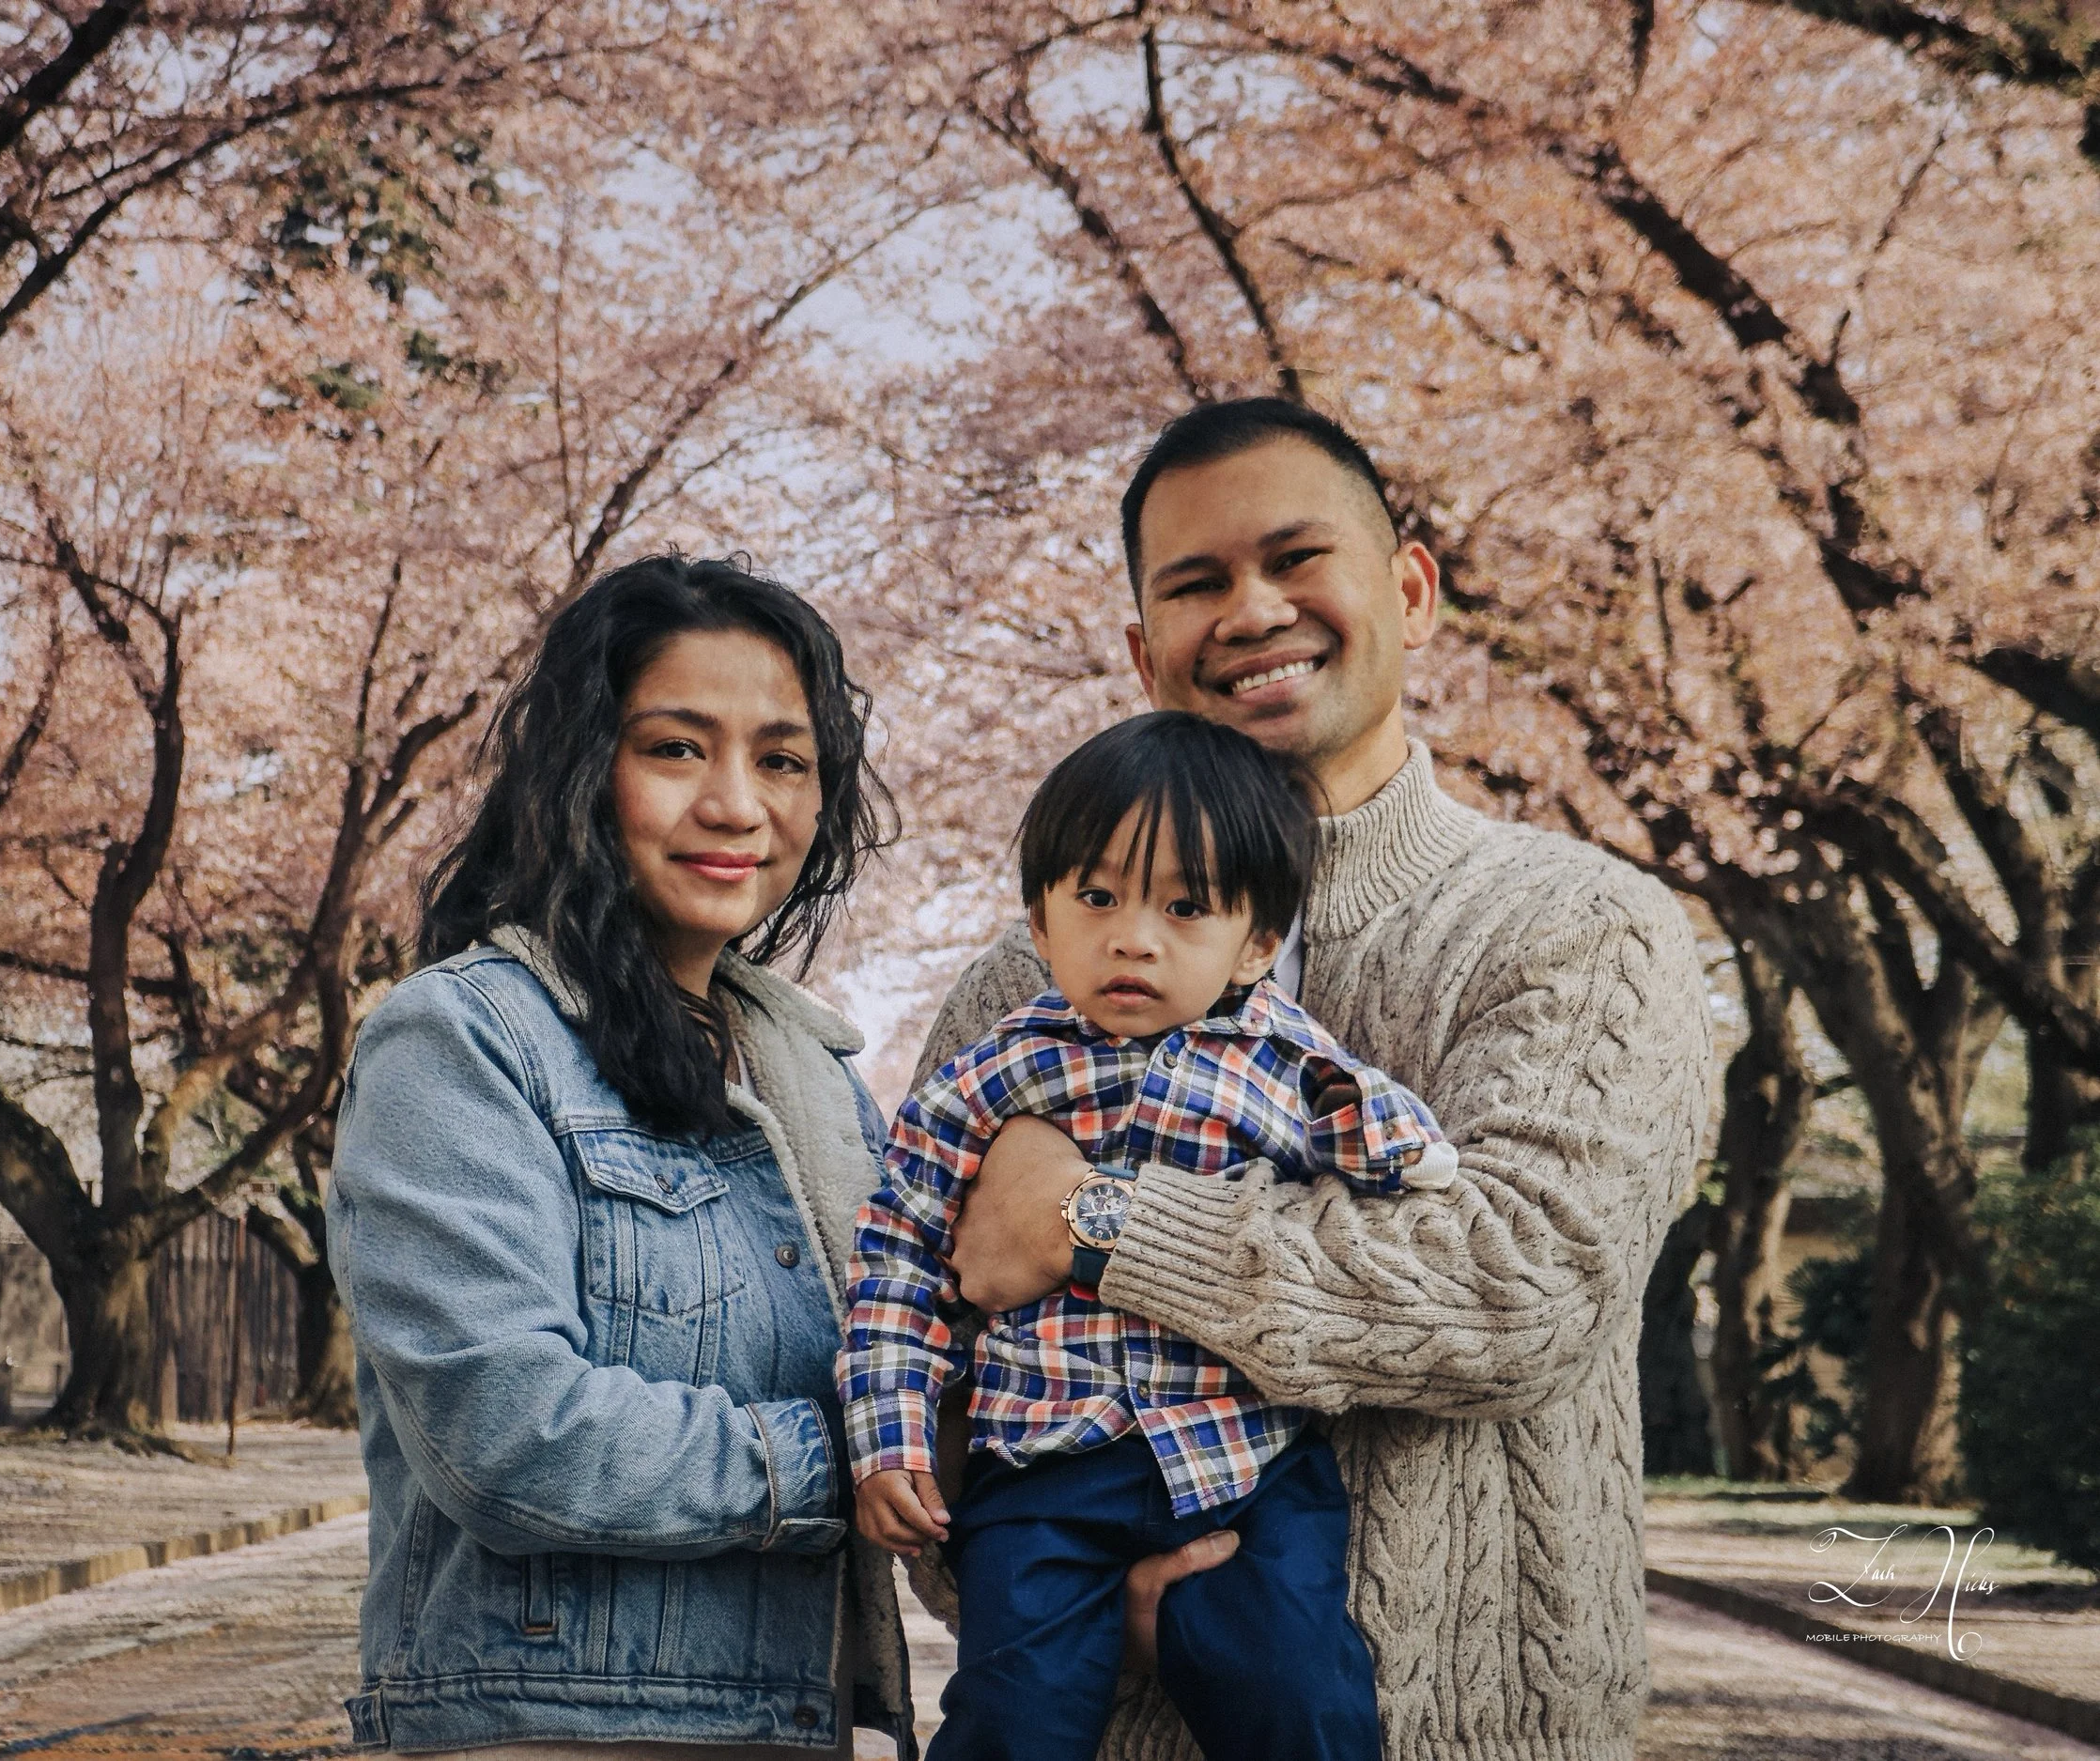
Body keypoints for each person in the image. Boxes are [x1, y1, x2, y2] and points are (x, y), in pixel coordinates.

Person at [915, 399, 1716, 1761]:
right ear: (1142, 648)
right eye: (1196, 583)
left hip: (1483, 1730)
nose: (1251, 608)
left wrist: (1096, 1223)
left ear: (1408, 587)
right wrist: (1104, 1609)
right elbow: (925, 1369)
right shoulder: (1021, 983)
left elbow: (1524, 1281)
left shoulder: (1581, 926)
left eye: (1297, 557)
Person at [329, 555, 916, 1760]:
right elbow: (502, 1433)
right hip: (543, 1732)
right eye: (677, 749)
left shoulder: (810, 1074)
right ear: (583, 770)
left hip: (786, 1725)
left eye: (783, 760)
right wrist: (853, 1453)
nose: (737, 805)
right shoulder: (465, 1039)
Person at [843, 712, 1459, 1761]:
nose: (1134, 936)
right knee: (1011, 1717)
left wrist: (1393, 1148)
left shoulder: (1279, 1059)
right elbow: (898, 1256)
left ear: (1256, 943)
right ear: (1040, 922)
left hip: (1245, 1464)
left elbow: (1404, 1162)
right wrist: (889, 1434)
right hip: (1041, 1464)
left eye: (1186, 907)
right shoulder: (989, 1077)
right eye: (1096, 898)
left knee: (1305, 1700)